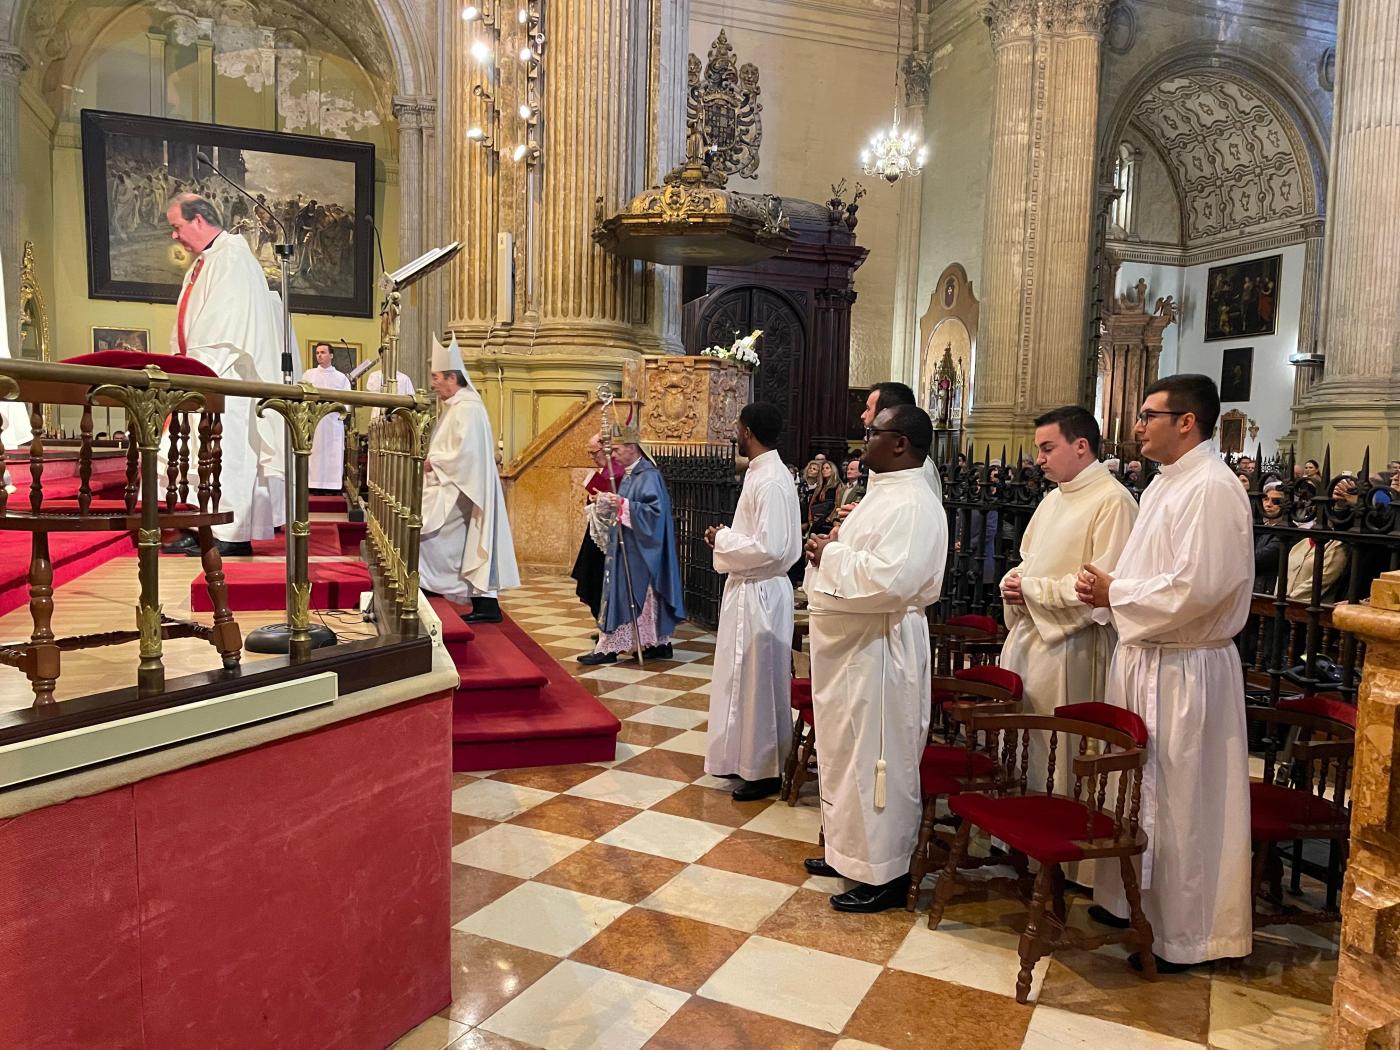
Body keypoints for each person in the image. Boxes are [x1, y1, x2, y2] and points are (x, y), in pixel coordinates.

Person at [1075, 373, 1254, 973]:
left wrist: (1117, 592)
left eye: (1148, 415)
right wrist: (1108, 589)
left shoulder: (1212, 487)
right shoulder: (1163, 484)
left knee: (1182, 799)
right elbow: (1151, 570)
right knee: (1139, 789)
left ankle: (1186, 933)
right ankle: (1132, 901)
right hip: (1148, 656)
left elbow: (1200, 586)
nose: (1137, 425)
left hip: (1185, 668)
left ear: (1187, 422)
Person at [801, 404, 947, 913]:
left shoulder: (914, 503)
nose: (863, 439)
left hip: (884, 647)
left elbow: (894, 581)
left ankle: (887, 871)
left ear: (900, 442)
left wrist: (831, 555)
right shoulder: (880, 494)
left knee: (880, 759)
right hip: (855, 647)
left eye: (872, 432)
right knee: (846, 754)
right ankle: (849, 853)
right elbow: (856, 556)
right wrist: (829, 548)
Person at [998, 406, 1138, 882]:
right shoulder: (1054, 499)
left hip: (1072, 648)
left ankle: (1062, 856)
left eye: (1047, 447)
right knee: (1028, 747)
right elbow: (1029, 560)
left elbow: (1099, 586)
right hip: (1031, 639)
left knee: (1060, 752)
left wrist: (1031, 589)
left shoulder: (1112, 501)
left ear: (1081, 446)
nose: (1038, 458)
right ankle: (1021, 838)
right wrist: (1015, 581)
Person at [160, 192, 290, 557]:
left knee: (226, 454)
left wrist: (196, 369)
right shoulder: (205, 262)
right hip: (202, 375)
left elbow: (223, 325)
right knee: (197, 454)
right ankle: (199, 527)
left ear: (199, 220)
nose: (174, 236)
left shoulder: (233, 256)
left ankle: (231, 533)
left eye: (177, 227)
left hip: (227, 377)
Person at [703, 403, 802, 801]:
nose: (735, 434)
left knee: (760, 681)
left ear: (747, 431)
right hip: (749, 589)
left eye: (738, 427)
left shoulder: (772, 480)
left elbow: (772, 547)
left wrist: (722, 538)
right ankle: (743, 759)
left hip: (761, 594)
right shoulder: (760, 473)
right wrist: (728, 536)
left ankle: (764, 770)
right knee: (741, 680)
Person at [418, 336, 519, 622]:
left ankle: (439, 594)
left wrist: (435, 462)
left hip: (461, 491)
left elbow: (467, 454)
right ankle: (471, 600)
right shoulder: (457, 406)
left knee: (427, 537)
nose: (433, 384)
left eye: (436, 377)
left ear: (452, 378)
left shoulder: (468, 408)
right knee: (434, 540)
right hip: (453, 487)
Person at [579, 425, 686, 666]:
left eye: (616, 450)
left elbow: (654, 514)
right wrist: (607, 503)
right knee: (631, 597)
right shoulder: (631, 474)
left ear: (631, 448)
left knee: (634, 596)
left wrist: (622, 504)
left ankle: (611, 647)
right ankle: (656, 644)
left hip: (641, 553)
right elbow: (626, 506)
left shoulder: (648, 476)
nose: (613, 456)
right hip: (629, 548)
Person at [855, 381, 943, 505]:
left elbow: (915, 508)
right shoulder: (884, 461)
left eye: (868, 409)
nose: (863, 415)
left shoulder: (917, 468)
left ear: (886, 412)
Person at [570, 432, 624, 620]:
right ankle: (602, 623)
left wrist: (602, 499)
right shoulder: (606, 469)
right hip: (598, 531)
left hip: (611, 535)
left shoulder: (619, 470)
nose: (592, 457)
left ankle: (607, 624)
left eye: (594, 453)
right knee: (593, 577)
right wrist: (594, 498)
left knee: (600, 578)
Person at [302, 342, 350, 495]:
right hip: (314, 421)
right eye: (317, 353)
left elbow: (347, 402)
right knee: (315, 453)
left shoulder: (341, 378)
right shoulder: (309, 375)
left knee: (332, 454)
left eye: (323, 352)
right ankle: (313, 485)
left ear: (331, 355)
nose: (319, 355)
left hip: (333, 421)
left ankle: (332, 486)